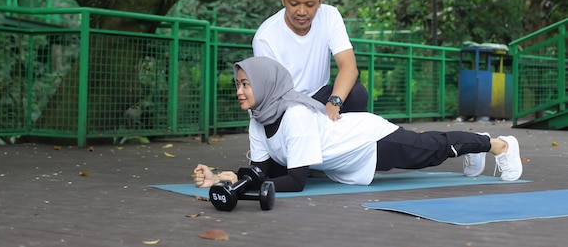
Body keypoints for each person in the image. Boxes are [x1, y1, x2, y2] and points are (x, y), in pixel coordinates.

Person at [193, 56, 523, 192]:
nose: (240, 91)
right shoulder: (259, 118)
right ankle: (478, 145)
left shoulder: (293, 115)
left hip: (368, 139)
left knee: (431, 150)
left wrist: (240, 184)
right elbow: (263, 170)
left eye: (246, 84)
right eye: (238, 84)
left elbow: (295, 179)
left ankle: (497, 144)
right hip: (350, 160)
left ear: (265, 84)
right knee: (431, 150)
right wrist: (226, 178)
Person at [252, 0, 366, 121]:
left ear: (320, 1)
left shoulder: (330, 16)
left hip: (318, 98)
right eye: (294, 3)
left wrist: (334, 103)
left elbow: (349, 67)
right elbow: (270, 96)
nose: (301, 12)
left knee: (357, 93)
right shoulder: (265, 37)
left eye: (310, 4)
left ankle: (343, 143)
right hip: (283, 105)